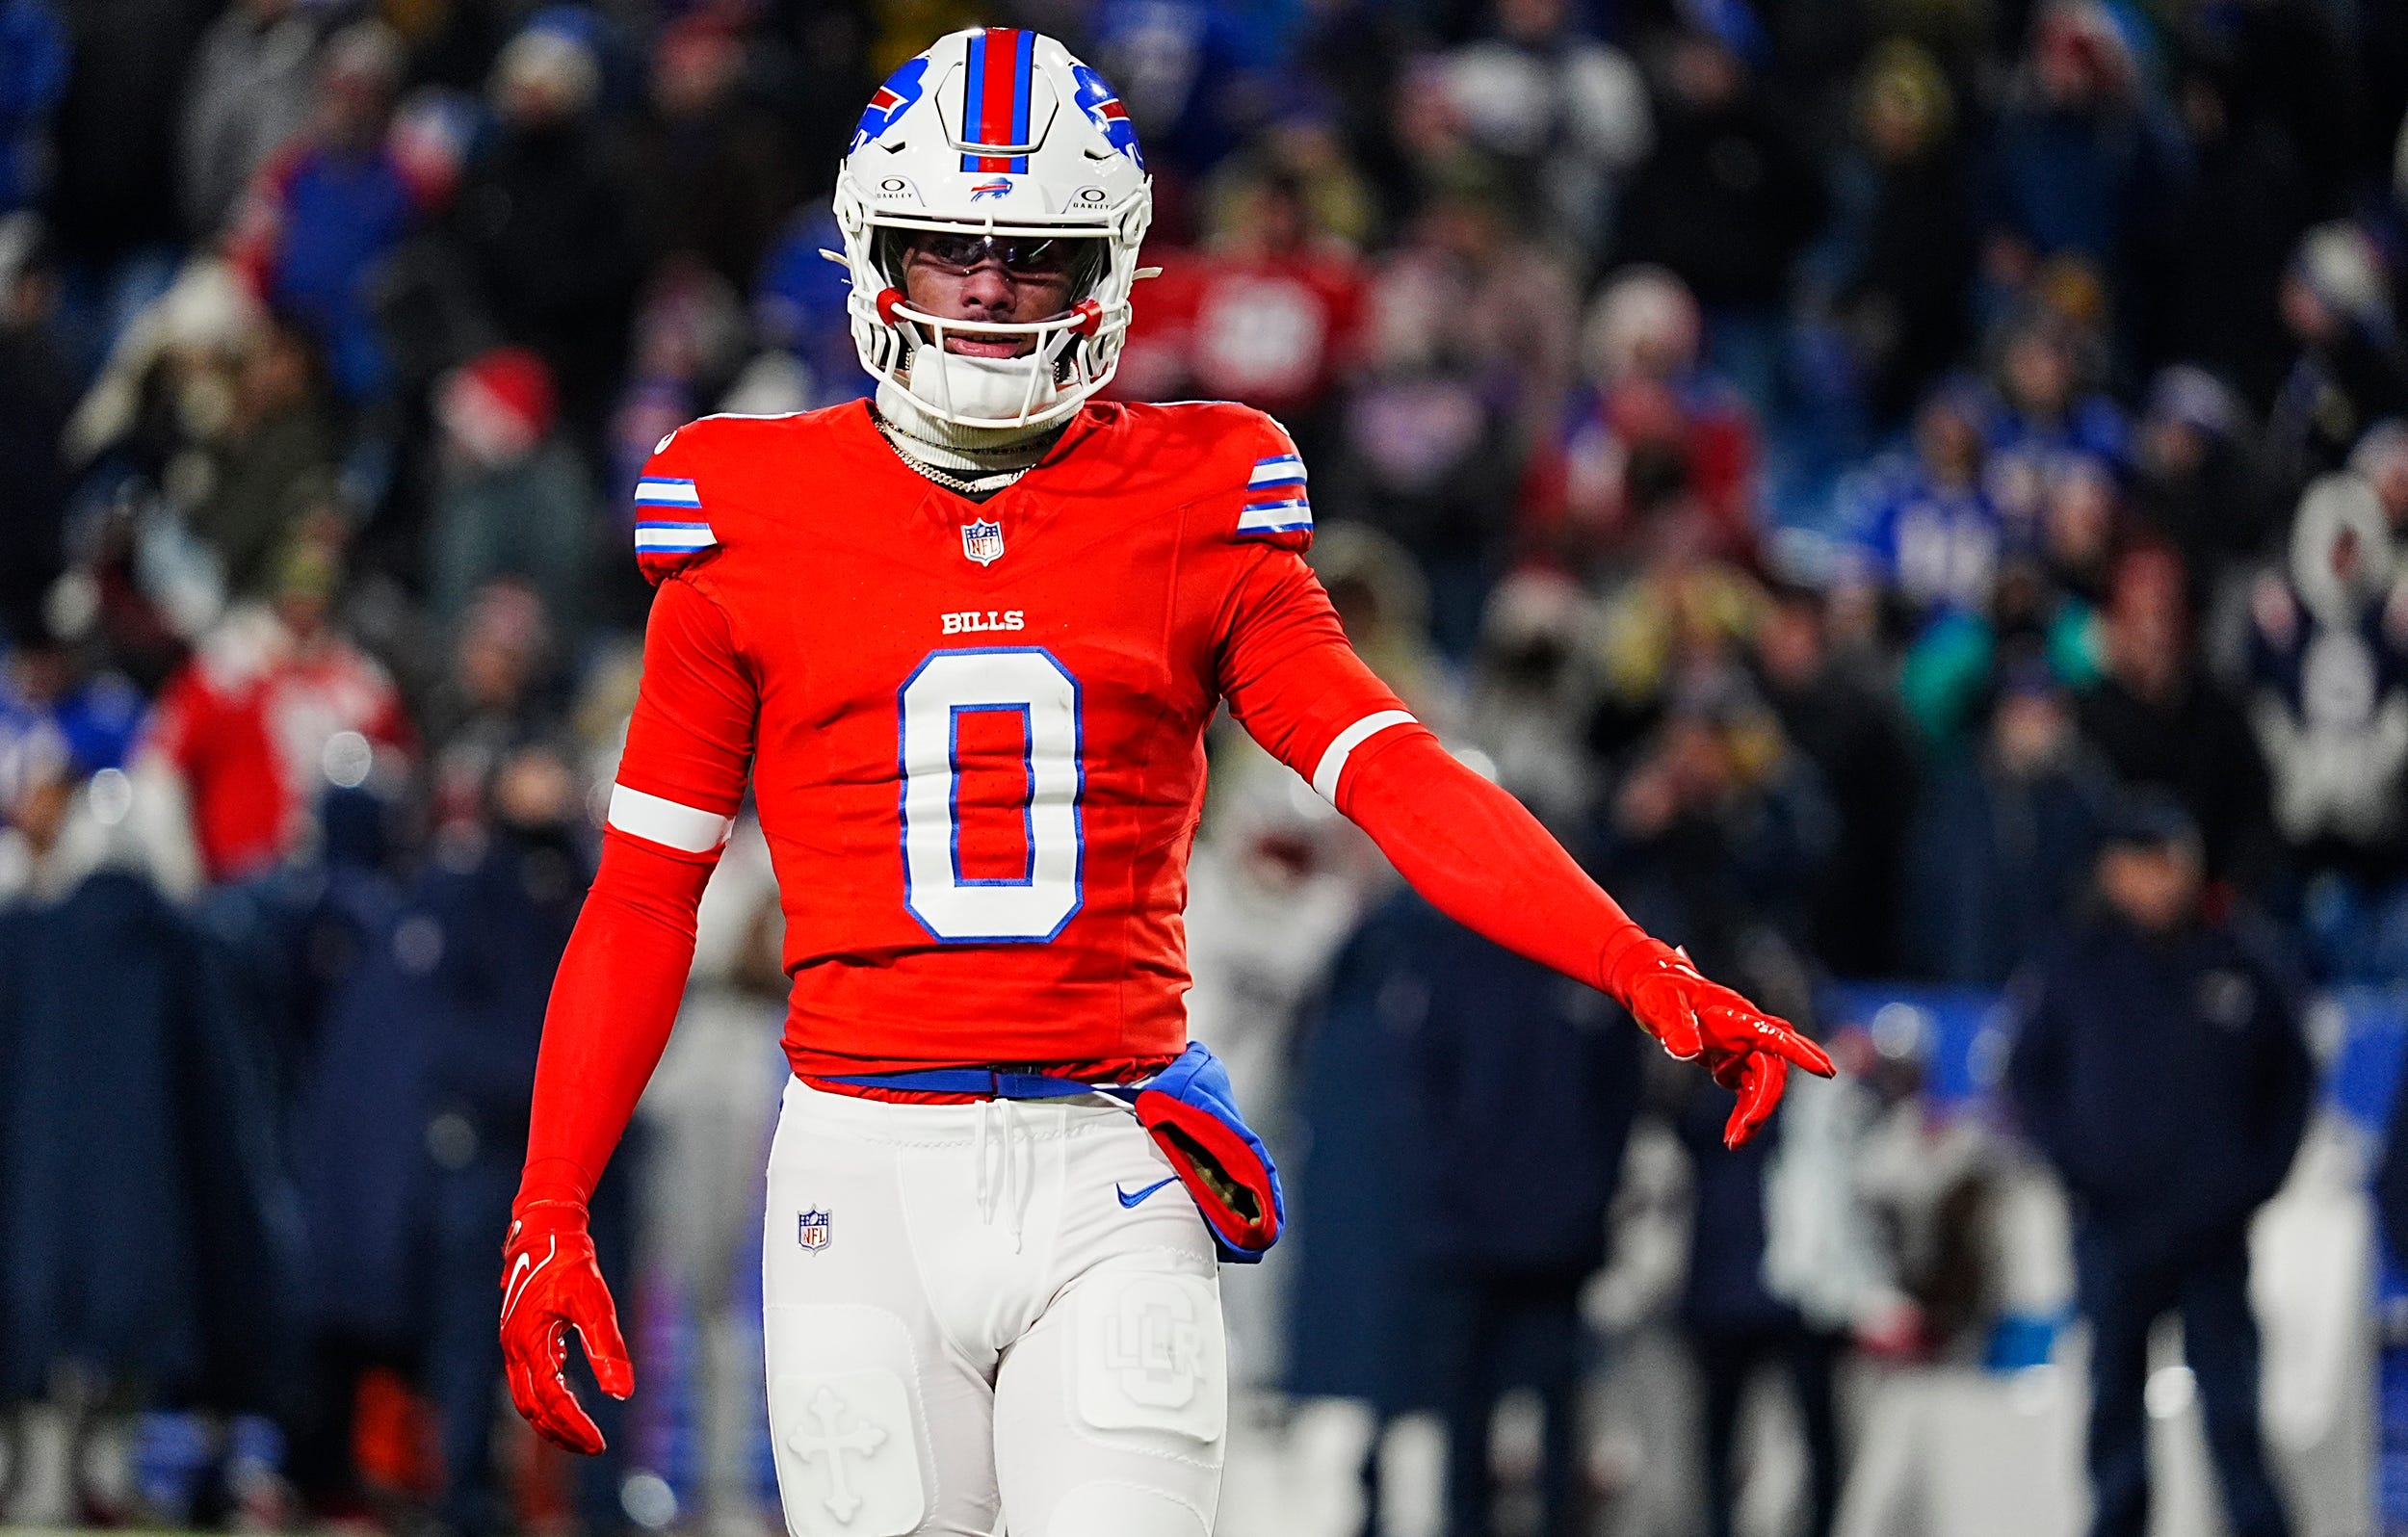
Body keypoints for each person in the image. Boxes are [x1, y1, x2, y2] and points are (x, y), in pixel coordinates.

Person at [494, 31, 1832, 1537]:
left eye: (1037, 258)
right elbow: (642, 897)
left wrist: (1636, 965)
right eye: (950, 251)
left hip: (1108, 1160)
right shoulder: (749, 513)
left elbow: (1396, 777)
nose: (991, 293)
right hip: (858, 1170)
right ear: (877, 255)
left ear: (1113, 271)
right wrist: (549, 1205)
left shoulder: (1198, 498)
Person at [2005, 795, 2311, 1537]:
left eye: (2172, 859)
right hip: (2113, 1226)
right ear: (2112, 871)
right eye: (2143, 862)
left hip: (2212, 1232)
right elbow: (2027, 1081)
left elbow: (2291, 1079)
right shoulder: (2075, 961)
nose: (2160, 879)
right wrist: (2083, 1169)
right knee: (2113, 1404)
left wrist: (2251, 1182)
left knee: (2233, 1409)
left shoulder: (2241, 956)